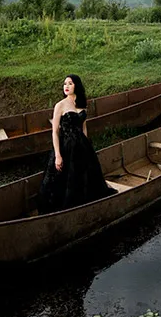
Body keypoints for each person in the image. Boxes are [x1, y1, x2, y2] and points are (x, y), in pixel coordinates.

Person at [37, 74, 115, 214]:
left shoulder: (82, 104)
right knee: (65, 180)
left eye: (70, 83)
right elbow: (55, 132)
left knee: (84, 177)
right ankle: (64, 210)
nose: (66, 86)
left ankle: (85, 207)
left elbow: (84, 127)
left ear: (76, 86)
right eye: (65, 84)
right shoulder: (60, 105)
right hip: (66, 147)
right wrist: (58, 156)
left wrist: (86, 147)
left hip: (81, 146)